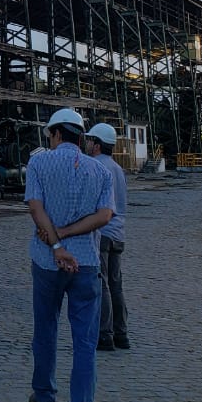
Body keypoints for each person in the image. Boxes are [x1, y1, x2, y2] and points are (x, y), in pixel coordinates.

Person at [24, 108, 114, 402]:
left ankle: (44, 399)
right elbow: (105, 215)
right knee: (86, 342)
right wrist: (68, 235)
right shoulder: (100, 170)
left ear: (56, 134)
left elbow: (35, 208)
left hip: (48, 261)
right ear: (81, 137)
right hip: (87, 263)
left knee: (45, 331)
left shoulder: (38, 163)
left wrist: (57, 242)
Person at [85, 123, 129, 351]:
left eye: (90, 140)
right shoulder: (118, 168)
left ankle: (105, 334)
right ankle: (122, 334)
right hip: (118, 233)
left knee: (101, 284)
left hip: (101, 233)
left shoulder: (94, 166)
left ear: (97, 145)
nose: (87, 143)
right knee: (116, 285)